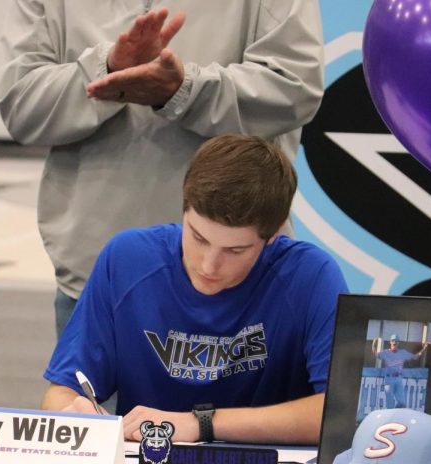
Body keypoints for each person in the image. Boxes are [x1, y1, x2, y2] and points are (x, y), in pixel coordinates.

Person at [0, 1, 325, 335]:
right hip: (97, 280)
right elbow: (21, 103)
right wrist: (106, 69)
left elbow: (294, 87)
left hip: (238, 277)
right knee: (79, 390)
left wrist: (186, 91)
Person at [42, 134, 347, 444]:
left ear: (273, 235)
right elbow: (61, 393)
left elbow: (342, 412)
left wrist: (202, 424)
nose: (209, 266)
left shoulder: (310, 276)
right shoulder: (127, 260)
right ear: (184, 209)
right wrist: (74, 415)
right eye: (199, 238)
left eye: (235, 250)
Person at [372, 334, 428, 409]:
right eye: (393, 341)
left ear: (398, 343)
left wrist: (424, 348)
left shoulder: (403, 353)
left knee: (402, 402)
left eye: (396, 341)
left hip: (398, 380)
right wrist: (373, 344)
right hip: (389, 380)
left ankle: (395, 413)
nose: (394, 342)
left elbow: (415, 357)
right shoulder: (385, 353)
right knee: (390, 404)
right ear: (390, 342)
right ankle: (391, 416)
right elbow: (375, 355)